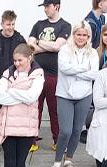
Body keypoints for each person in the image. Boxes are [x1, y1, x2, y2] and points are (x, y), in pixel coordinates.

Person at [0, 45, 44, 167]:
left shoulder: (37, 75)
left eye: (20, 60)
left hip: (27, 126)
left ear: (29, 58)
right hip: (8, 126)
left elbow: (32, 97)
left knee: (20, 162)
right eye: (14, 60)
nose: (16, 63)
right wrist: (22, 96)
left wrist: (12, 91)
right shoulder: (7, 73)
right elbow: (2, 98)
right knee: (10, 162)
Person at [52, 22, 98, 167]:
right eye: (78, 34)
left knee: (77, 130)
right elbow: (64, 68)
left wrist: (75, 71)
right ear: (73, 34)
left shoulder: (93, 53)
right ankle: (57, 162)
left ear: (88, 36)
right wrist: (84, 69)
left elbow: (94, 74)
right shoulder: (64, 50)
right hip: (65, 95)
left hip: (84, 95)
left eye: (84, 35)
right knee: (66, 130)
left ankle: (68, 161)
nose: (81, 37)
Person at [28, 0, 71, 152]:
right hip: (36, 74)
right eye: (44, 6)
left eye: (47, 6)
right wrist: (49, 46)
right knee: (35, 108)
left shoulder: (65, 26)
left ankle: (58, 141)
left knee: (55, 109)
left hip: (54, 75)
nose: (45, 9)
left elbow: (58, 46)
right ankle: (31, 140)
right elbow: (30, 46)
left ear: (56, 7)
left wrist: (39, 42)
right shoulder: (38, 24)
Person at [0, 10, 27, 80]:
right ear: (2, 24)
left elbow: (26, 60)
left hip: (15, 78)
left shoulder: (20, 40)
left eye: (13, 24)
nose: (11, 27)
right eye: (8, 24)